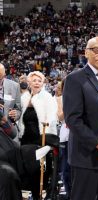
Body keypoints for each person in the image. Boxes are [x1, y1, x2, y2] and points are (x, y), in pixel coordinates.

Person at [63, 36, 98, 200]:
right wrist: (97, 143)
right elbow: (73, 119)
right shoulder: (74, 79)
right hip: (86, 156)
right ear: (86, 53)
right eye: (96, 50)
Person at [18, 71, 58, 199]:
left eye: (39, 81)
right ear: (29, 82)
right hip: (25, 138)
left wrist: (48, 121)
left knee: (38, 170)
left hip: (41, 138)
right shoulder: (23, 98)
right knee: (26, 170)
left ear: (43, 83)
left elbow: (53, 115)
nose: (36, 83)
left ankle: (39, 195)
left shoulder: (47, 97)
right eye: (34, 80)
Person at [56, 80, 71, 199]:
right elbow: (60, 117)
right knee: (66, 168)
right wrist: (70, 103)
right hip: (65, 136)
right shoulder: (60, 98)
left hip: (80, 137)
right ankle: (69, 193)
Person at [0, 63, 21, 140]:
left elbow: (18, 109)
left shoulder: (15, 86)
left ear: (4, 75)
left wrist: (16, 114)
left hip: (7, 131)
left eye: (0, 78)